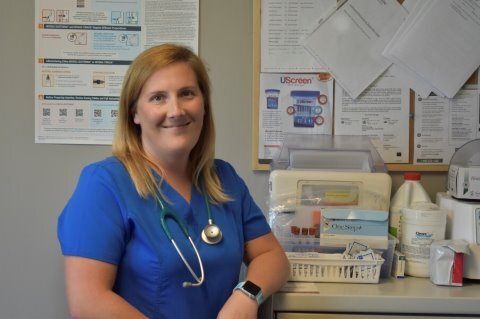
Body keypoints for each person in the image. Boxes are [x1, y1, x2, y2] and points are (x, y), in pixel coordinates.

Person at [57, 43, 290, 319]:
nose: (176, 110)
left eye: (187, 94)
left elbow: (272, 257)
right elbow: (87, 301)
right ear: (134, 114)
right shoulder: (104, 185)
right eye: (158, 98)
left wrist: (247, 295)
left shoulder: (223, 179)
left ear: (204, 104)